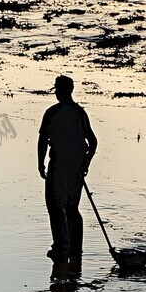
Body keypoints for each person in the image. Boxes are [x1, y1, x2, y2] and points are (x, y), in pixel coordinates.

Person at [37, 75, 98, 264]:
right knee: (72, 207)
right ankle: (75, 249)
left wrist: (40, 163)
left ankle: (61, 247)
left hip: (59, 165)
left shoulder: (52, 112)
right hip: (76, 166)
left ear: (59, 91)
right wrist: (86, 162)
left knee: (55, 205)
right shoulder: (80, 113)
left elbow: (42, 141)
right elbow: (93, 142)